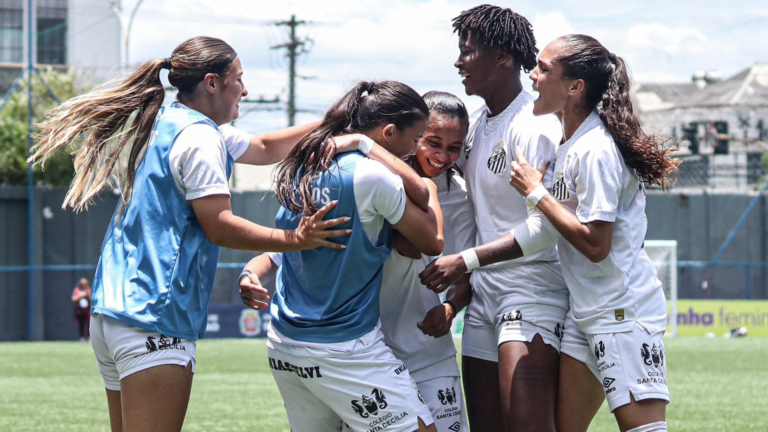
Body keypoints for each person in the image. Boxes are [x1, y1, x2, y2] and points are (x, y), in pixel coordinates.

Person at [29, 36, 356, 432]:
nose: (245, 89)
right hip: (154, 317)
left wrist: (341, 125)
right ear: (212, 83)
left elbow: (265, 145)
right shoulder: (201, 138)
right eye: (239, 78)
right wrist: (295, 239)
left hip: (113, 313)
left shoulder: (168, 121)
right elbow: (219, 225)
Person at [239, 81, 443, 432]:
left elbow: (285, 247)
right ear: (389, 132)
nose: (414, 149)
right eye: (414, 139)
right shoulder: (372, 176)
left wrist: (249, 272)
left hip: (284, 344)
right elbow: (432, 239)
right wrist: (369, 147)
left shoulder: (303, 169)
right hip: (345, 349)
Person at [510, 34, 679, 432]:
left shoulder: (596, 149)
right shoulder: (571, 143)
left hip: (622, 313)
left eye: (543, 68)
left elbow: (596, 245)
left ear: (575, 87)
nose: (532, 75)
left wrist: (537, 193)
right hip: (587, 312)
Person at [419, 5, 568, 432]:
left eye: (468, 51)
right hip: (484, 297)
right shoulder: (477, 125)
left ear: (503, 57)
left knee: (528, 426)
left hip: (531, 292)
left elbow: (547, 227)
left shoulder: (534, 125)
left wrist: (464, 260)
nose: (458, 62)